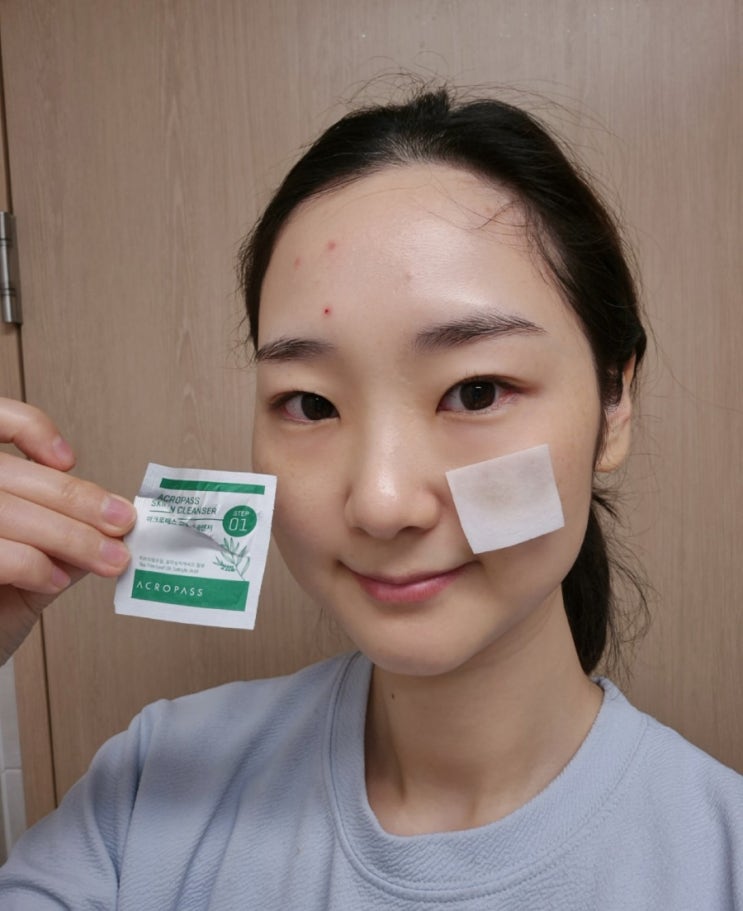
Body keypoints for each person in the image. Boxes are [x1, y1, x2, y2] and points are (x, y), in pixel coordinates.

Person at [0, 86, 741, 909]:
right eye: (310, 403)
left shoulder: (721, 861)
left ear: (613, 401)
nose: (381, 503)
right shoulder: (149, 792)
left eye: (476, 390)